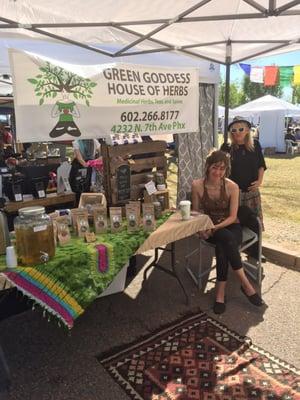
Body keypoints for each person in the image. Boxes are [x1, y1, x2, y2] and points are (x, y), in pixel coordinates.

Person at [191, 150, 264, 315]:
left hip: (229, 226)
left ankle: (221, 293)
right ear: (208, 167)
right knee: (225, 241)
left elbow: (232, 217)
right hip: (210, 227)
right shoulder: (197, 185)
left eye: (222, 169)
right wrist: (201, 228)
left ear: (226, 170)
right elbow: (195, 212)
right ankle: (245, 285)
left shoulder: (232, 186)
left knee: (224, 241)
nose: (218, 172)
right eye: (215, 168)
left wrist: (215, 228)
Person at [221, 116, 267, 263]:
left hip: (252, 193)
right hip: (234, 194)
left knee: (255, 222)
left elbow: (261, 164)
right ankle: (235, 251)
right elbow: (221, 170)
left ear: (247, 130)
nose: (237, 132)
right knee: (236, 222)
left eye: (241, 129)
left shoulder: (256, 145)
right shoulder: (227, 147)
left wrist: (259, 181)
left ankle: (255, 252)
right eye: (233, 130)